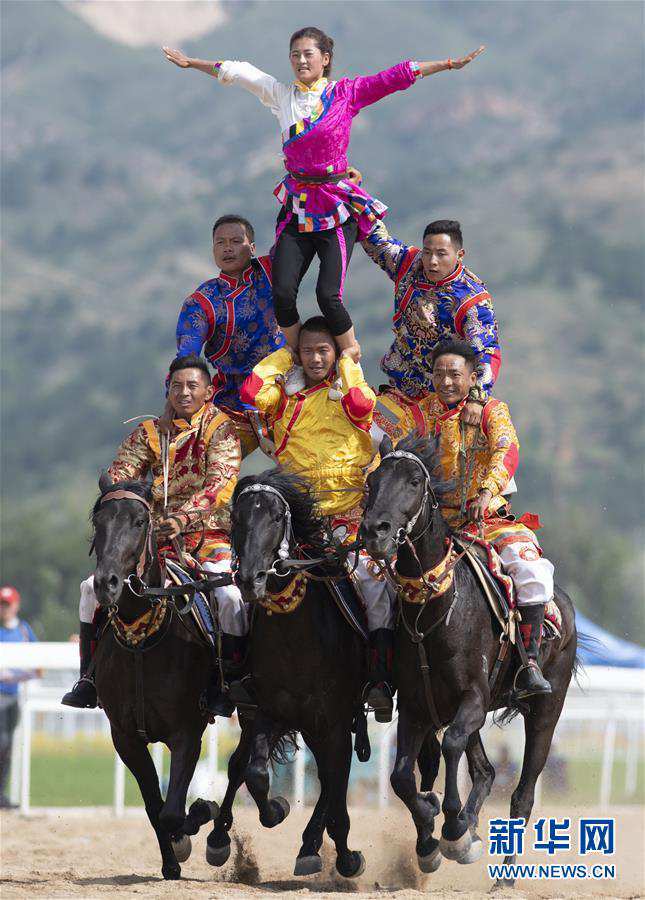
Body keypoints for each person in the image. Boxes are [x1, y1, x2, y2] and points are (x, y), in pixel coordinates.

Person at [163, 29, 484, 362]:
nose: (301, 61)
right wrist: (192, 63)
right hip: (298, 206)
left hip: (336, 207)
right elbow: (238, 71)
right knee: (283, 292)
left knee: (328, 295)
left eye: (308, 54)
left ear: (325, 59)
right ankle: (301, 356)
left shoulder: (345, 93)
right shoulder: (280, 95)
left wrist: (447, 64)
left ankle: (350, 355)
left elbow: (394, 77)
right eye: (295, 55)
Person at [61, 355, 245, 716]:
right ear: (168, 389)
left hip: (207, 537)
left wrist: (183, 517)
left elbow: (220, 483)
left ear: (208, 391)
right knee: (89, 589)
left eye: (192, 385)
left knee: (230, 598)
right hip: (151, 542)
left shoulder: (221, 430)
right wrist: (121, 499)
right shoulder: (148, 433)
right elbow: (120, 474)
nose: (184, 392)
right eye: (176, 385)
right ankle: (89, 678)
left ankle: (230, 681)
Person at [241, 316, 395, 720]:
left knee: (374, 584)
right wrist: (285, 353)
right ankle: (237, 673)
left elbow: (364, 406)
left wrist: (348, 360)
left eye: (323, 350)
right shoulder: (285, 401)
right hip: (296, 522)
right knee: (250, 573)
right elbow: (251, 392)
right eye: (307, 350)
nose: (314, 358)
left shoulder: (353, 396)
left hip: (348, 519)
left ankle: (378, 677)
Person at [420, 340, 552, 698]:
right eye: (439, 374)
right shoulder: (421, 412)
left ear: (473, 376)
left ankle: (529, 662)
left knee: (531, 568)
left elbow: (507, 450)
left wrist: (486, 492)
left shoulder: (493, 409)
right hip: (436, 526)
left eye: (454, 374)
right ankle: (381, 670)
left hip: (489, 520)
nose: (446, 382)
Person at [162, 215, 285, 458]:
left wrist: (335, 186)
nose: (227, 248)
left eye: (236, 241)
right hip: (233, 401)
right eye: (220, 243)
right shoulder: (202, 301)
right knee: (202, 465)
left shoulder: (271, 270)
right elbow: (187, 357)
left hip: (285, 391)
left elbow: (294, 229)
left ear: (252, 247)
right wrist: (171, 406)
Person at [362, 218, 501, 427]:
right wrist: (351, 199)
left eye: (441, 254)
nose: (432, 261)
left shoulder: (473, 301)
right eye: (427, 252)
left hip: (443, 398)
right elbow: (376, 241)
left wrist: (476, 399)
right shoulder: (409, 264)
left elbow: (487, 351)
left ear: (459, 255)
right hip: (400, 385)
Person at [0, 586, 38, 809]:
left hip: (15, 696)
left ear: (16, 605)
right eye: (2, 604)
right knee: (2, 743)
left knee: (8, 746)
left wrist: (18, 675)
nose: (4, 609)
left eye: (7, 604)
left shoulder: (24, 631)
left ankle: (1, 795)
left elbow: (38, 664)